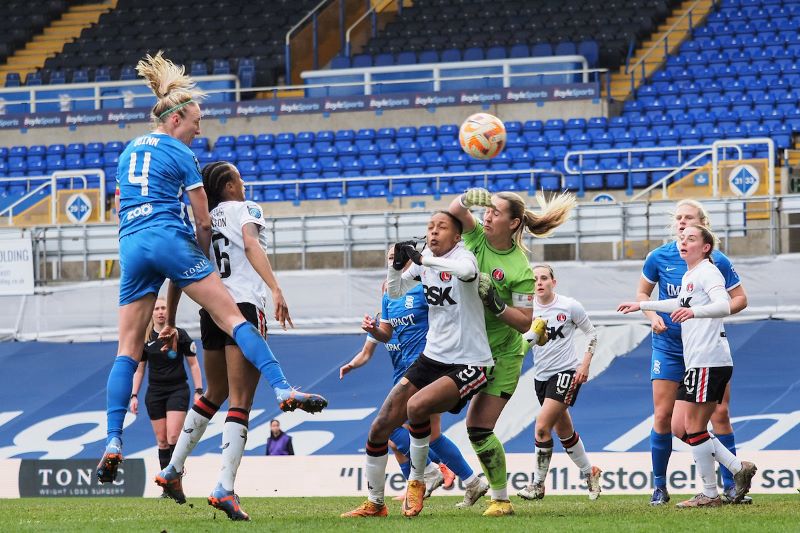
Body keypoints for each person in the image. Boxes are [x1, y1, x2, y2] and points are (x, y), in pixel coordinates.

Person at [96, 51, 326, 486]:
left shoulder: (127, 152)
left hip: (131, 244)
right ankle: (282, 387)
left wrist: (171, 301)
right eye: (196, 120)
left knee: (126, 349)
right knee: (233, 318)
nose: (200, 129)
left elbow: (119, 205)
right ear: (177, 117)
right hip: (170, 237)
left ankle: (112, 441)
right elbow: (203, 222)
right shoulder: (183, 155)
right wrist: (199, 263)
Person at [155, 161, 303, 521]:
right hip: (243, 310)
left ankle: (172, 469)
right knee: (241, 403)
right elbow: (251, 243)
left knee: (213, 394)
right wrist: (275, 286)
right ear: (229, 186)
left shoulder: (202, 224)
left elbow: (180, 274)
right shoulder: (245, 210)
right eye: (238, 178)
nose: (244, 182)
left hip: (211, 310)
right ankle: (224, 487)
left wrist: (171, 320)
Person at [341, 211, 493, 519]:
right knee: (380, 426)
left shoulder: (465, 257)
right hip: (432, 359)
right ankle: (375, 503)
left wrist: (423, 261)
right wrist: (395, 266)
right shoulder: (424, 265)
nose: (434, 232)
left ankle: (419, 479)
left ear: (457, 236)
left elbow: (464, 271)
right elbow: (395, 290)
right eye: (430, 227)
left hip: (469, 361)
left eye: (441, 228)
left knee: (417, 408)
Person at [447, 188, 575, 517]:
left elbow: (523, 321)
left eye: (495, 213)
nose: (487, 216)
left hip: (502, 357)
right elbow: (454, 210)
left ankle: (500, 500)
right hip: (465, 350)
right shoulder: (476, 237)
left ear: (514, 222)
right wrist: (467, 199)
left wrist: (495, 302)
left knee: (478, 428)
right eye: (486, 210)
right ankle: (427, 478)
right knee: (420, 410)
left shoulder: (519, 269)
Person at [619, 224, 757, 508]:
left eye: (691, 239)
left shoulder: (708, 271)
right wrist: (644, 306)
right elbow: (680, 302)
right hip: (697, 360)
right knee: (679, 425)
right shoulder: (692, 275)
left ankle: (709, 494)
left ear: (706, 247)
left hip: (709, 359)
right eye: (682, 238)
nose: (683, 242)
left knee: (695, 426)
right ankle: (736, 467)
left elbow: (725, 303)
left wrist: (694, 312)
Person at [516, 264, 601, 501]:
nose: (539, 282)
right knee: (564, 431)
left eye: (544, 278)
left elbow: (592, 334)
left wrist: (584, 364)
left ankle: (537, 484)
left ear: (554, 281)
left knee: (542, 426)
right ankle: (590, 472)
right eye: (535, 279)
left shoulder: (569, 306)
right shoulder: (526, 311)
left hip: (565, 373)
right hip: (541, 377)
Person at [129, 297, 203, 494]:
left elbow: (194, 364)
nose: (161, 312)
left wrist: (198, 391)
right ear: (152, 313)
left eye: (163, 308)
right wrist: (134, 395)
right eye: (157, 309)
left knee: (173, 436)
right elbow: (140, 369)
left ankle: (176, 482)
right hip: (155, 392)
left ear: (168, 312)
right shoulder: (145, 338)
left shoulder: (180, 334)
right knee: (161, 440)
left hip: (177, 389)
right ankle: (166, 487)